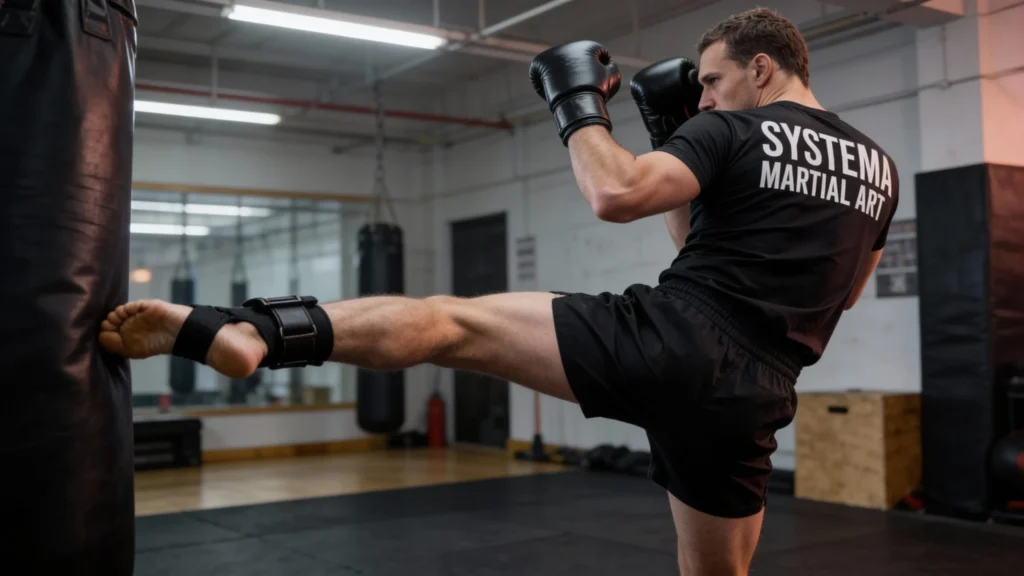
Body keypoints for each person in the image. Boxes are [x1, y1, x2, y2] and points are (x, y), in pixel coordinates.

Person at [101, 8, 898, 576]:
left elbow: (614, 193)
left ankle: (250, 333)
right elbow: (843, 294)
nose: (708, 98)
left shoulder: (734, 129)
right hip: (758, 391)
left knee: (449, 322)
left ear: (761, 68)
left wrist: (577, 104)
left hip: (672, 335)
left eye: (715, 82)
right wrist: (673, 138)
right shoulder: (881, 173)